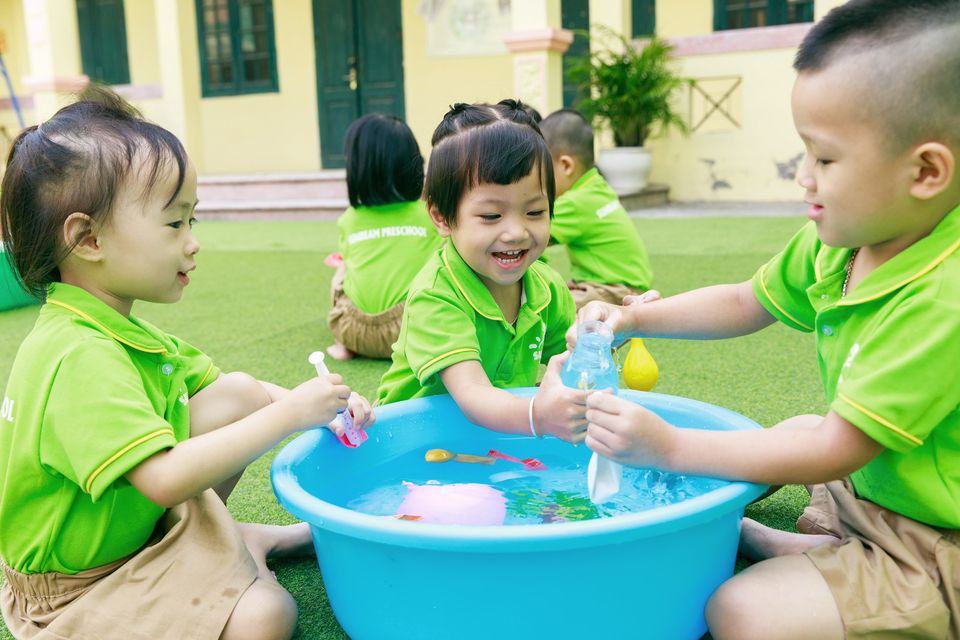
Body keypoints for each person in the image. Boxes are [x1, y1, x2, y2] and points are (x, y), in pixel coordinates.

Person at [575, 1, 960, 638]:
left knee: (741, 613)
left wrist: (670, 448)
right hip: (883, 490)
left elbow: (837, 449)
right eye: (803, 152)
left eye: (825, 159)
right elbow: (744, 302)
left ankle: (848, 564)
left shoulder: (942, 298)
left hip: (937, 540)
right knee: (801, 428)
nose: (803, 177)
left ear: (924, 171)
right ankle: (825, 554)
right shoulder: (847, 239)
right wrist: (630, 319)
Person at [0, 88, 373, 640]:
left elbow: (244, 396)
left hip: (128, 540)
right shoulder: (76, 354)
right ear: (88, 239)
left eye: (191, 220)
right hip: (75, 588)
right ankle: (240, 545)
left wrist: (331, 406)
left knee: (241, 393)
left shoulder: (120, 330)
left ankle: (232, 542)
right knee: (267, 617)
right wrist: (292, 413)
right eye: (175, 224)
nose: (193, 243)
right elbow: (162, 478)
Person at [376, 100, 586, 443]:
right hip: (416, 442)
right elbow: (473, 396)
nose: (516, 232)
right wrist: (540, 415)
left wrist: (606, 331)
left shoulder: (546, 288)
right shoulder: (436, 295)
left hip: (496, 433)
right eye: (491, 216)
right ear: (442, 217)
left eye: (535, 212)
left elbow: (574, 364)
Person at [326, 114, 442, 360]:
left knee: (341, 272)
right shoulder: (429, 214)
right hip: (415, 331)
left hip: (353, 330)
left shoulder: (349, 219)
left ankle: (341, 346)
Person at [539, 108, 653, 308]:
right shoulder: (596, 187)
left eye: (542, 172)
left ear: (566, 166)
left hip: (614, 290)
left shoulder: (575, 202)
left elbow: (532, 239)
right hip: (626, 286)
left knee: (551, 308)